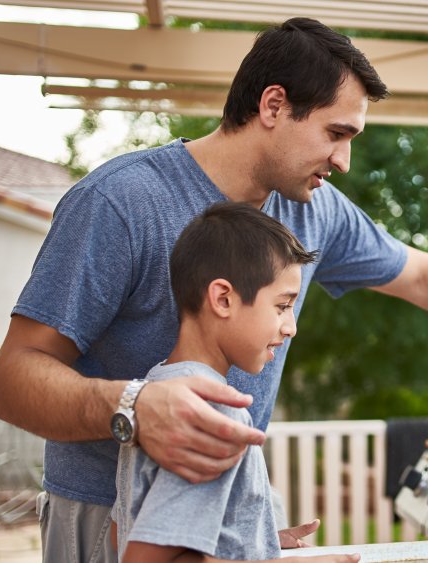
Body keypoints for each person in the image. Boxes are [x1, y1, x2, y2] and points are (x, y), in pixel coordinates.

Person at [0, 16, 428, 562]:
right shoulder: (121, 202)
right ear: (272, 107)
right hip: (105, 518)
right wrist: (134, 407)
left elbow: (426, 275)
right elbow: (14, 379)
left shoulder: (312, 211)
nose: (344, 161)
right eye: (336, 133)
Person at [113, 201, 349, 562]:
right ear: (223, 299)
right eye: (282, 306)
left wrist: (254, 538)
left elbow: (124, 529)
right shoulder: (214, 412)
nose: (292, 327)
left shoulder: (157, 390)